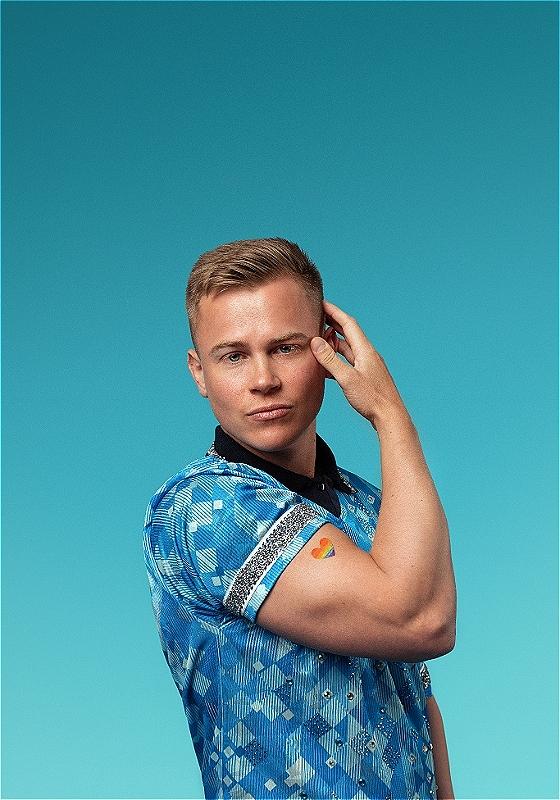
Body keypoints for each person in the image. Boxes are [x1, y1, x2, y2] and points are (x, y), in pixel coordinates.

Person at [142, 238, 456, 800]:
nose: (263, 379)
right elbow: (421, 621)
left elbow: (417, 696)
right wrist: (387, 410)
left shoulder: (366, 503)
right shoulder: (207, 509)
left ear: (329, 350)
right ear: (199, 372)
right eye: (233, 355)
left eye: (286, 348)